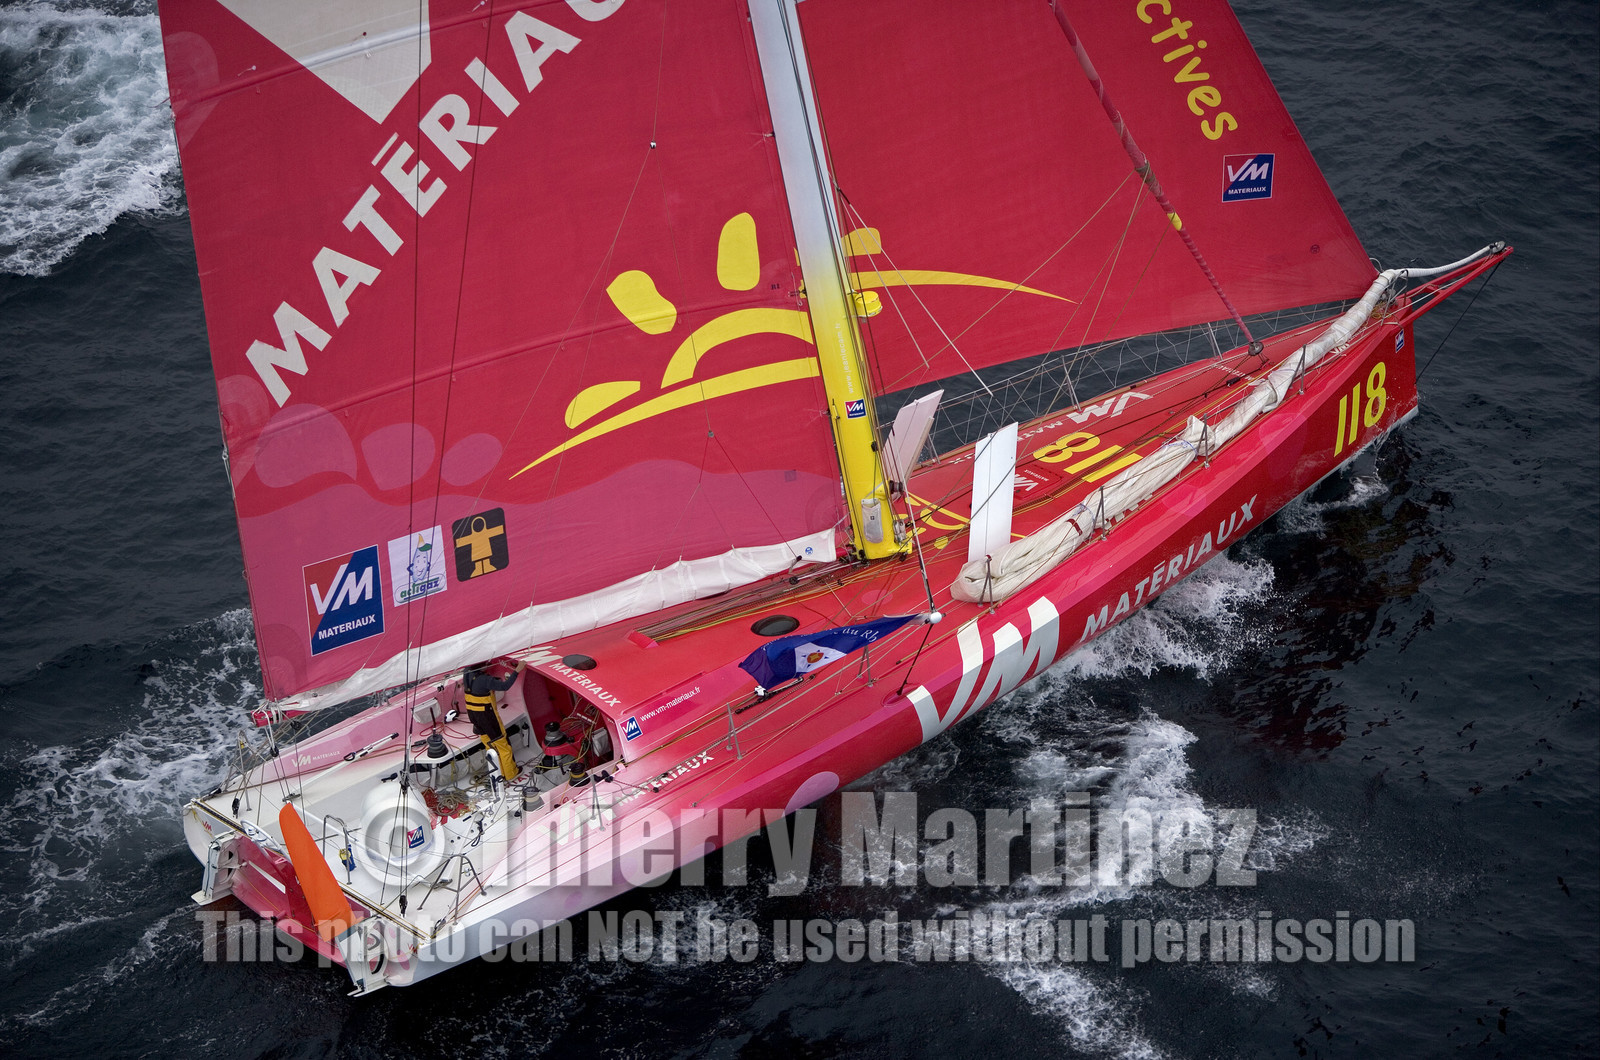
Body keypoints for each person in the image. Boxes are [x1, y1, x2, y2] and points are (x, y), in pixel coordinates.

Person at [462, 658, 526, 782]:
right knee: (503, 746)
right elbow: (505, 686)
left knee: (490, 746)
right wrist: (517, 670)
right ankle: (511, 774)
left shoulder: (466, 672)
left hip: (474, 716)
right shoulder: (485, 680)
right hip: (488, 718)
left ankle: (498, 774)